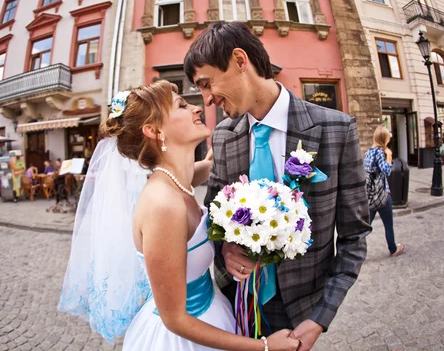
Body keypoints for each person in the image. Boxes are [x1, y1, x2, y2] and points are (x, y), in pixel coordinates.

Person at [59, 81, 299, 351]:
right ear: (153, 130)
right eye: (182, 106)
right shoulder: (163, 205)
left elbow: (203, 169)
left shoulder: (178, 180)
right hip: (182, 338)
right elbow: (174, 319)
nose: (197, 108)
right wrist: (264, 346)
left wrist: (219, 153)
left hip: (214, 310)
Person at [184, 22, 372, 348]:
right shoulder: (224, 137)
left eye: (206, 83)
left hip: (300, 308)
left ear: (240, 60)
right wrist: (225, 249)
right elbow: (214, 217)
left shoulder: (336, 130)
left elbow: (354, 237)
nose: (207, 99)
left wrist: (321, 317)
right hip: (235, 302)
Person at [364, 126, 405, 257]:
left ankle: (354, 251)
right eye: (387, 138)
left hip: (370, 196)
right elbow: (387, 170)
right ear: (383, 139)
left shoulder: (369, 152)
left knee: (365, 227)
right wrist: (389, 156)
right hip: (382, 195)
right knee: (388, 224)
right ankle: (393, 249)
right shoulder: (380, 153)